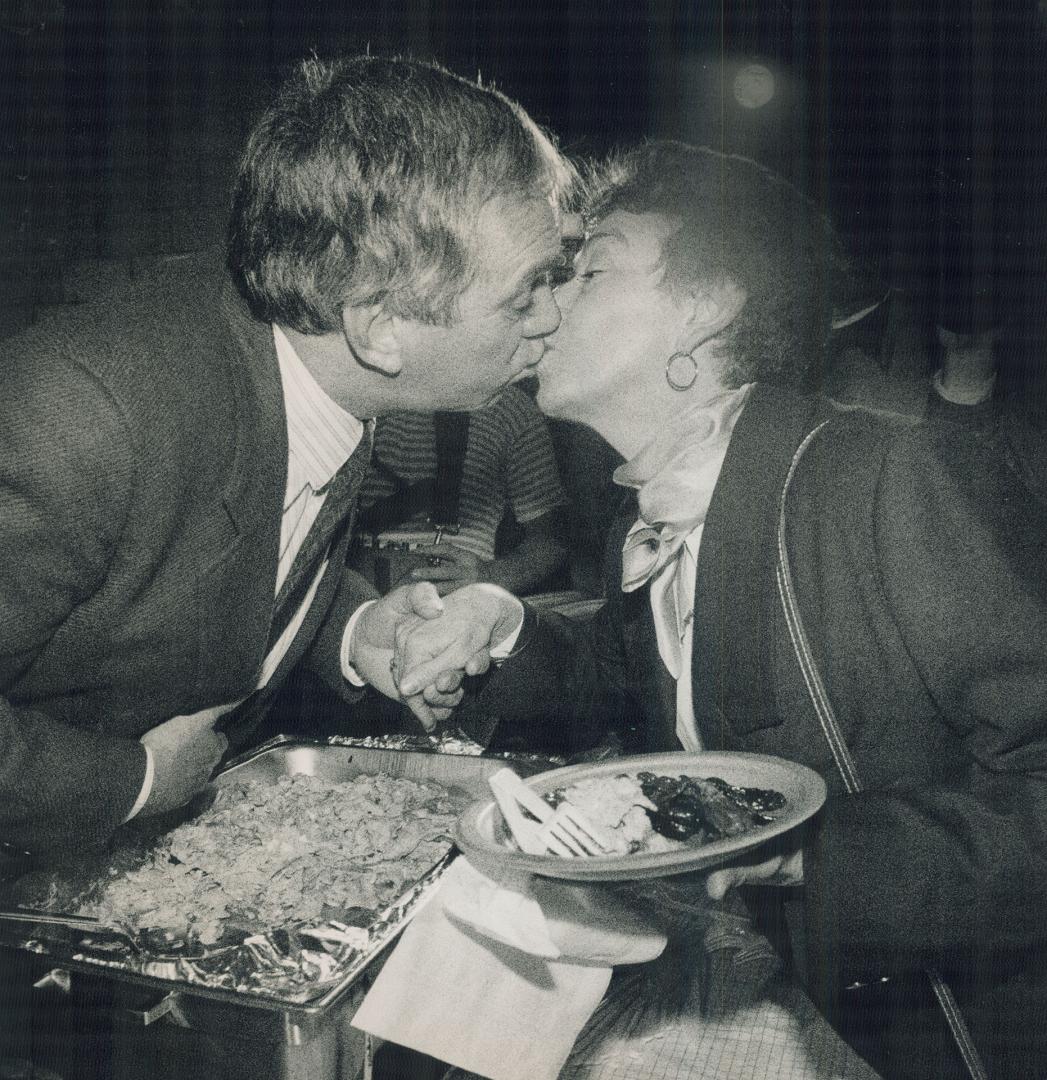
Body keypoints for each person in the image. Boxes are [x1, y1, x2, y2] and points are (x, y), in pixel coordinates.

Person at [392, 142, 1047, 1079]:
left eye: (589, 266)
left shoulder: (890, 477)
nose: (545, 300)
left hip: (925, 1028)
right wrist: (500, 623)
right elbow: (631, 686)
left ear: (705, 307)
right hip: (788, 969)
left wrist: (811, 858)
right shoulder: (663, 505)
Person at [0, 54, 572, 855]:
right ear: (378, 328)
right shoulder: (82, 411)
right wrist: (132, 782)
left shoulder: (314, 362)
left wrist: (351, 628)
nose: (551, 317)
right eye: (526, 292)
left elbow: (203, 548)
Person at [353, 385, 568, 597]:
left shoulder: (511, 409)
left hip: (454, 609)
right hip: (343, 597)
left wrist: (490, 576)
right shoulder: (353, 392)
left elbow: (551, 541)